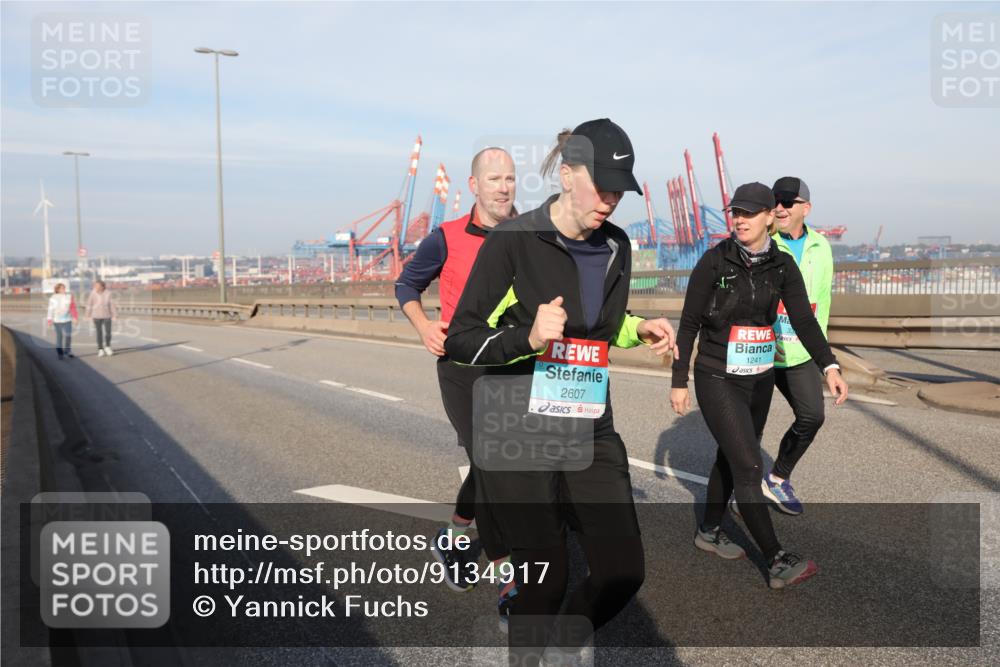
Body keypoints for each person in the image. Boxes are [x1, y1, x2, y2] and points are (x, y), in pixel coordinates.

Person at [445, 119, 676, 659]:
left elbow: (596, 325)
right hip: (518, 425)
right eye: (603, 186)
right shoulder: (513, 241)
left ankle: (561, 644)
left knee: (622, 572)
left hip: (590, 422)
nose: (612, 201)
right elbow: (461, 337)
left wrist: (637, 328)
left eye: (621, 190)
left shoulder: (617, 246)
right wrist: (526, 337)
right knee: (544, 581)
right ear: (568, 174)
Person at [669, 182, 848, 589]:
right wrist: (679, 381)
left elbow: (803, 319)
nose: (740, 220)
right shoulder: (715, 261)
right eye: (736, 213)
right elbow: (689, 323)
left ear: (770, 216)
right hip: (716, 374)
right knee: (750, 465)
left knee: (733, 454)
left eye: (749, 213)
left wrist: (829, 366)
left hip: (759, 377)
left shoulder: (782, 266)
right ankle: (775, 558)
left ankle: (709, 530)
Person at [395, 148, 517, 624]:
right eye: (494, 179)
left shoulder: (528, 234)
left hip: (511, 365)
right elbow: (406, 287)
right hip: (461, 368)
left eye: (510, 178)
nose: (504, 187)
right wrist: (423, 327)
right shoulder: (444, 237)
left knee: (496, 465)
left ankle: (453, 535)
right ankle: (510, 579)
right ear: (474, 186)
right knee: (491, 464)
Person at [761, 177, 834, 515]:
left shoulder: (822, 247)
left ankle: (777, 478)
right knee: (745, 432)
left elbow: (821, 303)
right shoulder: (765, 243)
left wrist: (826, 360)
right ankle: (741, 487)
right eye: (776, 201)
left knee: (812, 416)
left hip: (800, 351)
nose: (780, 208)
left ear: (806, 207)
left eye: (788, 202)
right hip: (760, 351)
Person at [86, 280, 118, 357]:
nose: (95, 287)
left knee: (108, 332)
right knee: (99, 333)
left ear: (102, 286)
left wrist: (115, 315)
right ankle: (100, 349)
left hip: (107, 315)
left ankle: (107, 347)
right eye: (95, 286)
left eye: (97, 286)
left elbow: (112, 304)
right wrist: (87, 314)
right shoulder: (93, 293)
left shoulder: (108, 293)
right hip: (96, 316)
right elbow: (89, 304)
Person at [46, 282, 78, 359]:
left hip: (67, 319)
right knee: (59, 337)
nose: (64, 289)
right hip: (57, 321)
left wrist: (75, 317)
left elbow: (72, 308)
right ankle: (60, 352)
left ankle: (67, 351)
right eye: (62, 288)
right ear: (58, 289)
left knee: (68, 336)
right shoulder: (53, 298)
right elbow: (50, 309)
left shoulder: (69, 296)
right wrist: (49, 320)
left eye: (64, 288)